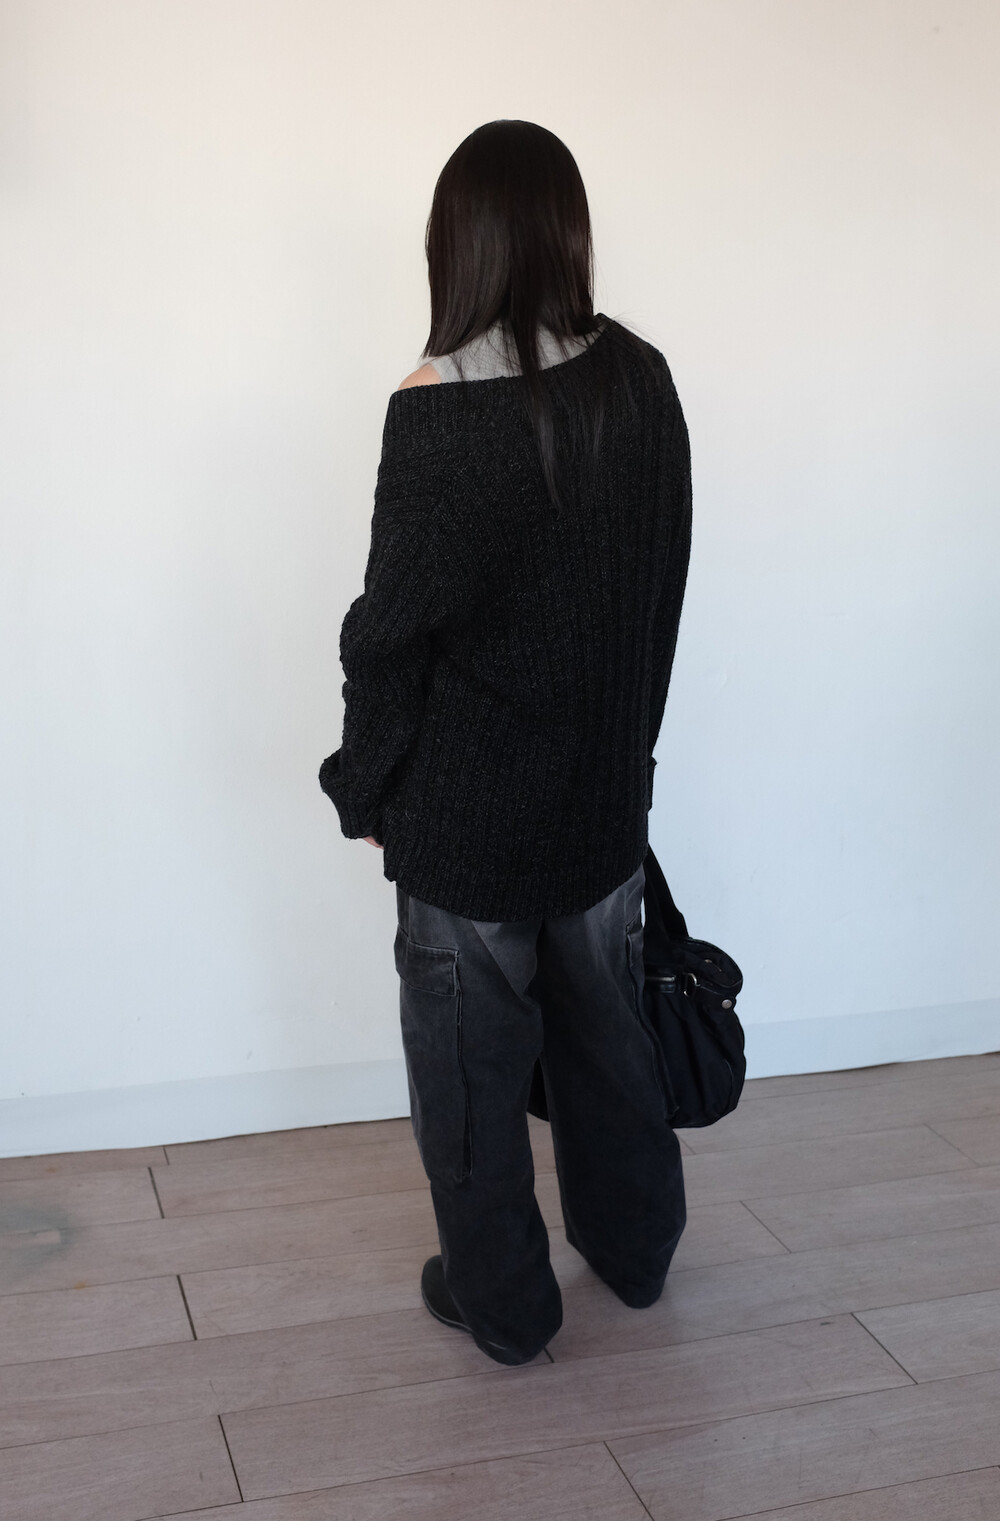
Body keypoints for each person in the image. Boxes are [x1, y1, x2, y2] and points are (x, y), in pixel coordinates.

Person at [319, 119, 692, 1367]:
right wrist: (627, 759)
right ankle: (636, 1254)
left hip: (469, 828)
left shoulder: (435, 413)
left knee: (473, 1082)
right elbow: (658, 592)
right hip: (599, 806)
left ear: (458, 245)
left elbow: (388, 636)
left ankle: (508, 1310)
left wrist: (363, 788)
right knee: (609, 1043)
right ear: (567, 233)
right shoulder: (641, 378)